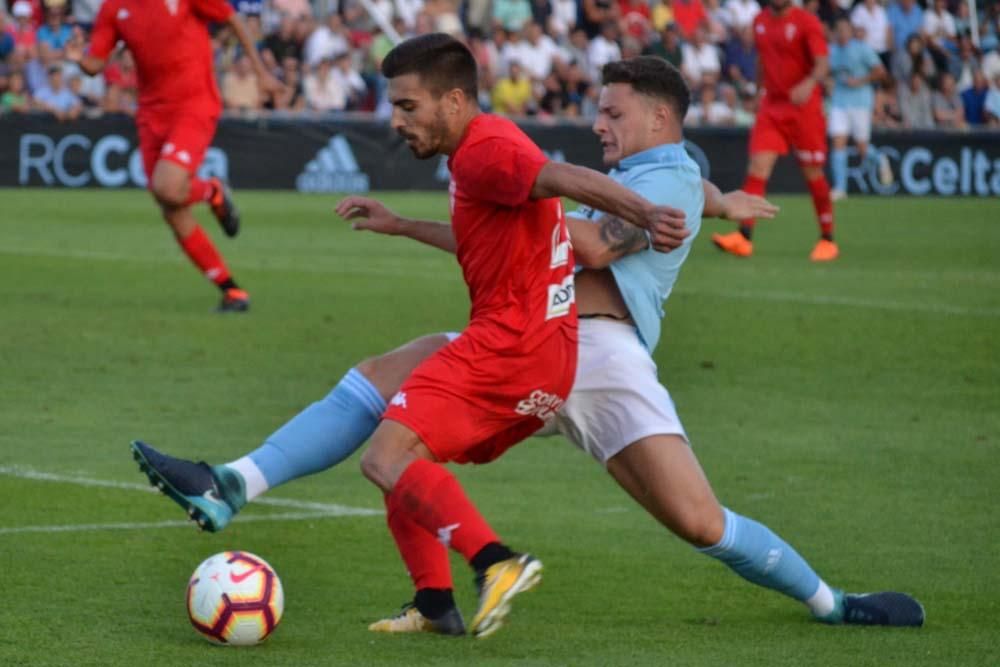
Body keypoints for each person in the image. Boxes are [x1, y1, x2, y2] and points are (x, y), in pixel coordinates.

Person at [131, 53, 924, 636]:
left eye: (614, 113)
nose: (599, 122)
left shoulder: (654, 178)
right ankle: (269, 502)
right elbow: (667, 195)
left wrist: (615, 201)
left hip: (597, 350)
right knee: (385, 394)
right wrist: (726, 202)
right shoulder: (674, 171)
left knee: (699, 521)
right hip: (527, 329)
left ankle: (835, 602)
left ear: (657, 119)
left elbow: (595, 240)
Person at [65, 0, 283, 312]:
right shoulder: (114, 8)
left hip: (193, 103)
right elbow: (95, 64)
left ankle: (212, 191)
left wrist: (261, 73)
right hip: (151, 113)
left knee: (167, 186)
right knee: (171, 206)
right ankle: (232, 291)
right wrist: (78, 60)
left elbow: (233, 19)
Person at [711, 0, 839, 262]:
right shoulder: (760, 21)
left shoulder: (807, 22)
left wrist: (809, 83)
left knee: (812, 173)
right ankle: (743, 237)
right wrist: (759, 92)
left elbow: (822, 63)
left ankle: (827, 239)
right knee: (757, 167)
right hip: (773, 106)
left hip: (804, 108)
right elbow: (762, 59)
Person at [827, 17, 893, 201]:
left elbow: (881, 72)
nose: (842, 33)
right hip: (839, 102)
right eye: (838, 29)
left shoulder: (862, 49)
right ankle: (840, 188)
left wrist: (860, 81)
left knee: (862, 147)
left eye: (845, 29)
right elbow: (826, 71)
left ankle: (880, 159)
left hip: (861, 102)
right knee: (837, 142)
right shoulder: (831, 51)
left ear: (851, 31)